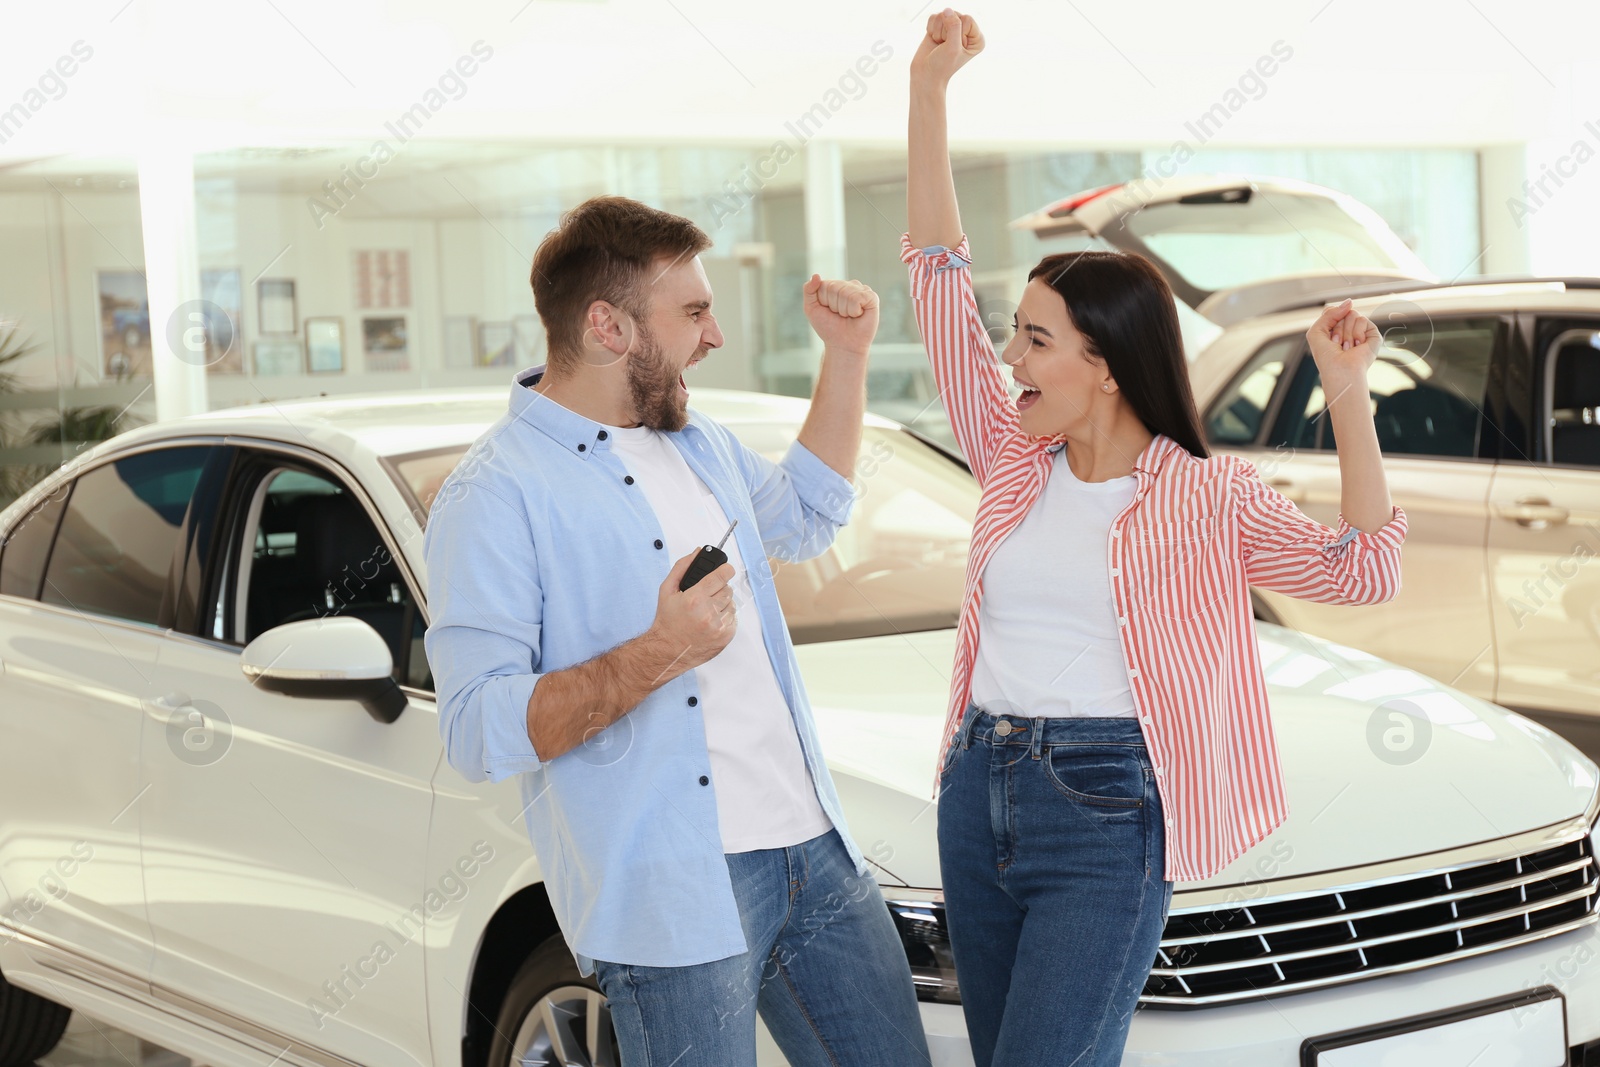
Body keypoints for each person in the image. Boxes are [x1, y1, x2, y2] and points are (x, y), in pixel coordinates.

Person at [904, 10, 1409, 1066]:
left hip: (1106, 807)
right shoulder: (1010, 454)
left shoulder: (1207, 494)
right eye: (1014, 336)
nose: (1010, 358)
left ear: (1108, 364)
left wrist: (1348, 395)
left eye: (1035, 340)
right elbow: (938, 273)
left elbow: (1364, 569)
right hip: (976, 786)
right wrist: (928, 92)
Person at [424, 195, 932, 1066]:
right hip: (673, 890)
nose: (715, 335)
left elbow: (807, 515)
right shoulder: (494, 495)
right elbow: (477, 727)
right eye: (693, 312)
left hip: (814, 851)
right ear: (607, 326)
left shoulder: (697, 442)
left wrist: (846, 357)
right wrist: (662, 651)